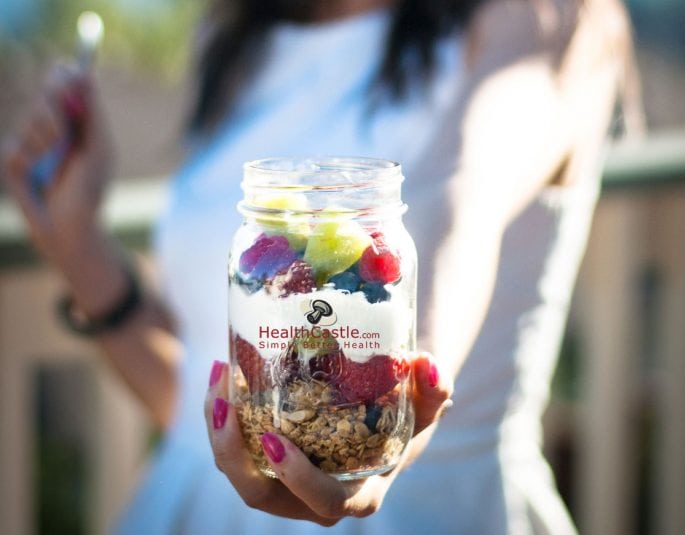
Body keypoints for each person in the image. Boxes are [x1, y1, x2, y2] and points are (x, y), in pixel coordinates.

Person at [1, 0, 637, 532]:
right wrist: (76, 242)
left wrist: (398, 401)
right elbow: (200, 390)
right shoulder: (241, 34)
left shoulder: (544, 16)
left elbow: (459, 198)